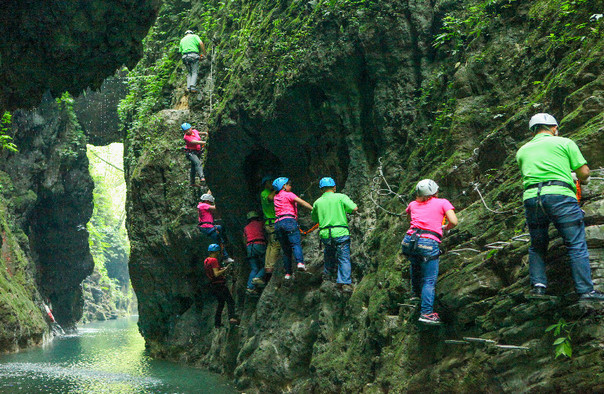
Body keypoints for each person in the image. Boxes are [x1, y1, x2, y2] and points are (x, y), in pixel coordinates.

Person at [516, 113, 604, 301]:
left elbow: (536, 172)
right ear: (553, 128)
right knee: (576, 244)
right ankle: (586, 291)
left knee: (537, 245)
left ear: (534, 130)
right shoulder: (564, 143)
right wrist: (581, 178)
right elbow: (584, 172)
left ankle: (538, 288)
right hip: (560, 197)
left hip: (532, 199)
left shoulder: (522, 150)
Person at [401, 179, 457, 325]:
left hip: (409, 241)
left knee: (415, 264)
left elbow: (410, 219)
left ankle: (415, 294)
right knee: (429, 280)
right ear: (434, 191)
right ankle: (426, 313)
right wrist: (444, 227)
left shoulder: (412, 204)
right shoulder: (443, 202)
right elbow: (454, 221)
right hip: (428, 242)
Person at [311, 177, 358, 293]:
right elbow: (354, 208)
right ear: (334, 187)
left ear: (321, 190)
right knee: (343, 258)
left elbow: (314, 218)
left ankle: (328, 276)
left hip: (326, 235)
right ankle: (345, 283)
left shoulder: (317, 202)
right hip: (341, 232)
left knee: (329, 254)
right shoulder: (341, 197)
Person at [272, 177, 313, 279]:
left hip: (277, 223)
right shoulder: (288, 194)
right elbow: (302, 202)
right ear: (284, 186)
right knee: (295, 244)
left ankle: (288, 273)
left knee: (286, 250)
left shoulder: (276, 197)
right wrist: (313, 209)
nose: (291, 186)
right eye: (289, 185)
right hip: (288, 221)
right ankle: (300, 263)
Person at [204, 244, 239, 328]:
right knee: (230, 301)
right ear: (216, 251)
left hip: (213, 285)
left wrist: (221, 270)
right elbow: (216, 274)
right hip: (219, 284)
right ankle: (232, 318)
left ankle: (217, 323)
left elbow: (212, 272)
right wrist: (225, 269)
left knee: (221, 303)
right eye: (218, 251)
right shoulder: (213, 260)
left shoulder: (206, 261)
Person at [197, 193, 234, 263]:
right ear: (207, 201)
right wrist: (219, 200)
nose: (211, 204)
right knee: (219, 240)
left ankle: (224, 241)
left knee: (219, 227)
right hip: (207, 227)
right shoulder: (203, 205)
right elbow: (215, 208)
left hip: (208, 226)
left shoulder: (202, 206)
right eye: (210, 202)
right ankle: (226, 258)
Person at [260, 176, 281, 283]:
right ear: (266, 183)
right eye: (270, 182)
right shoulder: (265, 193)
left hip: (269, 223)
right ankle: (270, 267)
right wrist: (277, 189)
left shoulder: (267, 192)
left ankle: (267, 266)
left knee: (270, 244)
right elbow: (270, 198)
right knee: (275, 244)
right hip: (272, 223)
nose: (272, 183)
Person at [243, 211, 267, 296]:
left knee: (254, 268)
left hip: (250, 247)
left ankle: (250, 287)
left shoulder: (246, 227)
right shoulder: (261, 223)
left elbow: (244, 239)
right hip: (259, 244)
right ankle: (258, 277)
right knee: (266, 265)